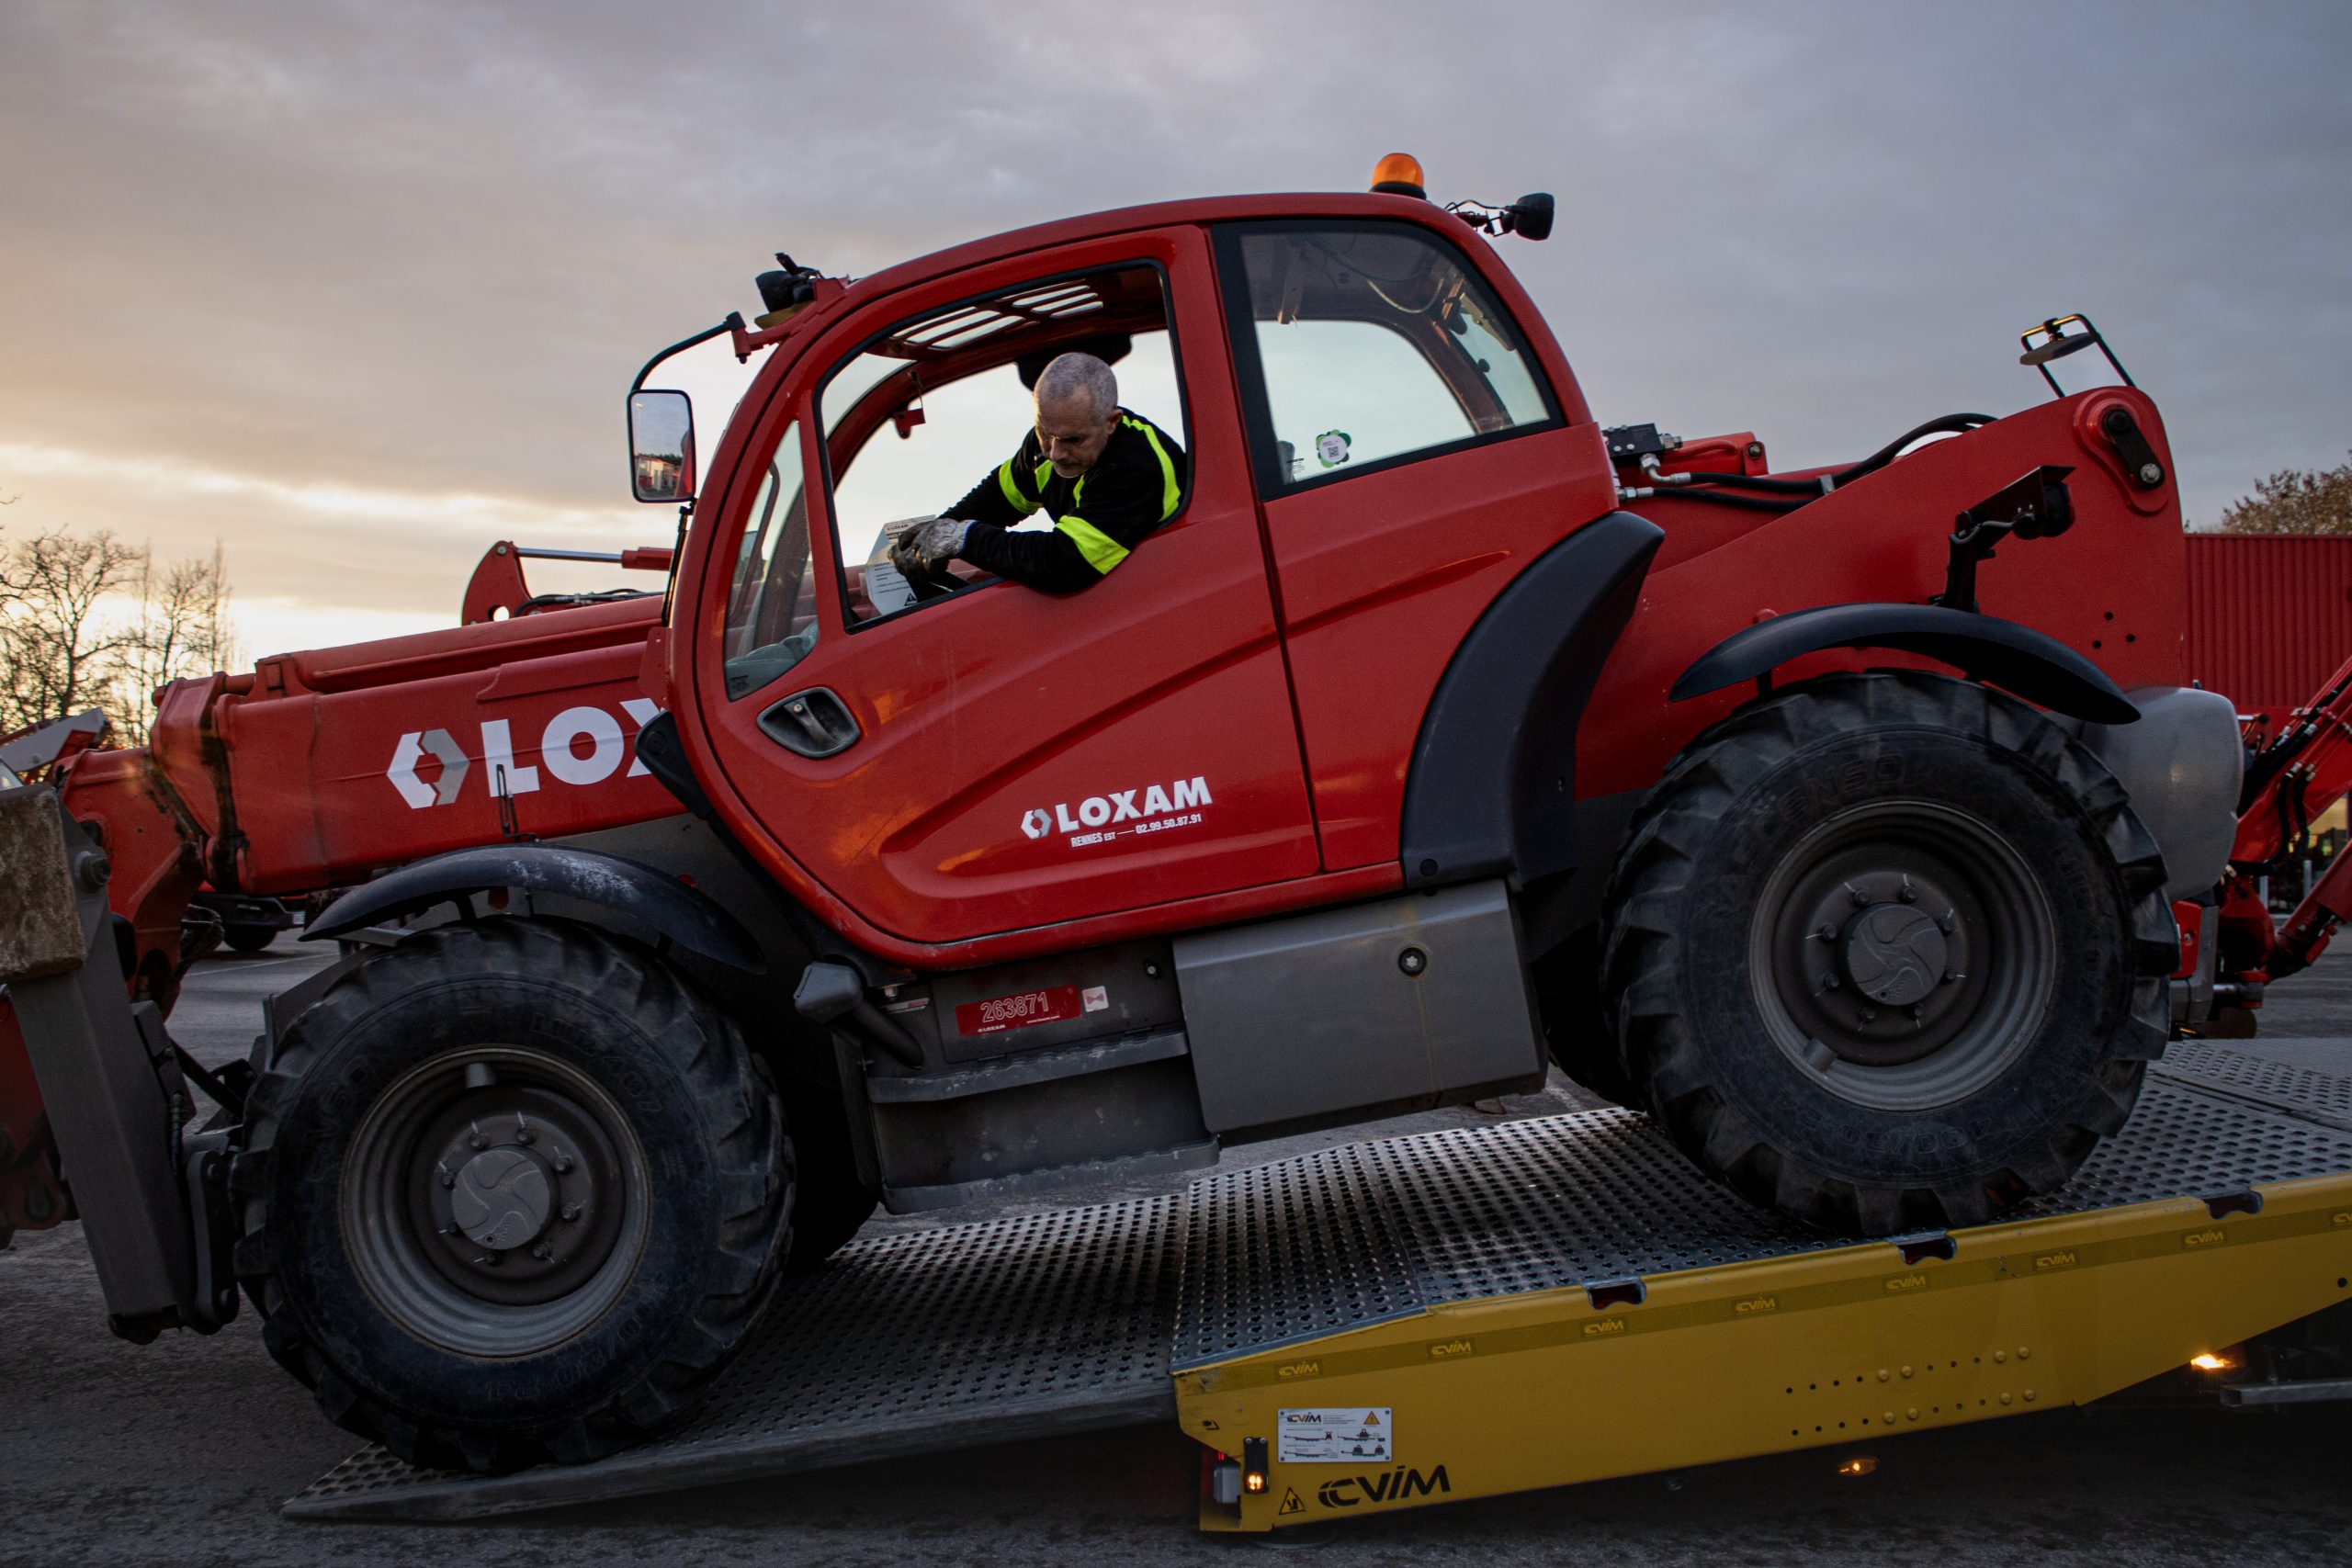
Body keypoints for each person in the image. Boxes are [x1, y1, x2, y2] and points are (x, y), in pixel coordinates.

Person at [890, 352, 1187, 593]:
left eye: (1073, 440)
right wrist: (937, 532)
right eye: (1045, 432)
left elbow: (1063, 564)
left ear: (1111, 422)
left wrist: (964, 538)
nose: (1055, 453)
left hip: (1165, 600)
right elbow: (997, 498)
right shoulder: (1048, 443)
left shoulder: (1137, 467)